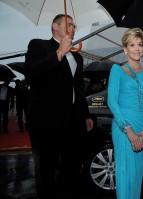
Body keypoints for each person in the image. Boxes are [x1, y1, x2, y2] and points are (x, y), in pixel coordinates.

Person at [24, 14, 94, 199]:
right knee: (46, 172)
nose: (73, 27)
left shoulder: (77, 57)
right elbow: (31, 73)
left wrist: (85, 115)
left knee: (72, 170)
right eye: (69, 24)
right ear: (55, 26)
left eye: (74, 25)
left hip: (72, 122)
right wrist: (59, 53)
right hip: (45, 123)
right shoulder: (39, 45)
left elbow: (79, 89)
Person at [107, 27, 143, 199]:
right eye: (132, 45)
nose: (137, 48)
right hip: (124, 129)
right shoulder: (117, 70)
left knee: (137, 177)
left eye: (140, 44)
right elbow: (112, 102)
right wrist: (128, 130)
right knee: (125, 176)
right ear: (125, 49)